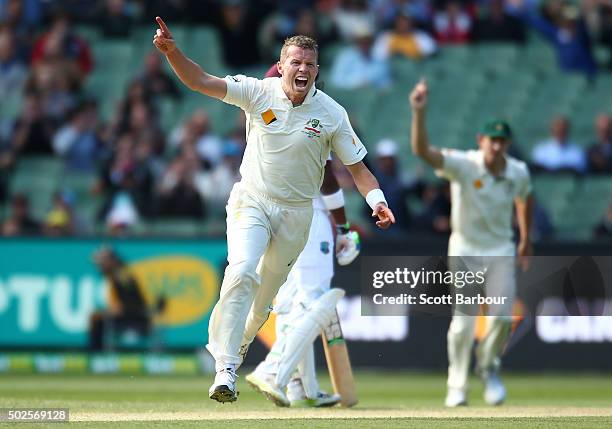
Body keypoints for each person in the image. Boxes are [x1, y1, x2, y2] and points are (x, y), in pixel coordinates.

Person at [153, 18, 395, 403]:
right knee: (242, 271)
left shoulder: (331, 113)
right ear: (281, 66)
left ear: (317, 70)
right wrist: (172, 52)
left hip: (297, 215)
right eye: (295, 62)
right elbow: (199, 81)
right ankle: (225, 368)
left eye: (309, 64)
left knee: (264, 303)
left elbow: (357, 169)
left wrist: (377, 201)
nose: (302, 69)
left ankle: (240, 349)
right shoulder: (257, 92)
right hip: (252, 201)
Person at [409, 79, 533, 407]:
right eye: (493, 140)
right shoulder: (464, 165)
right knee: (463, 324)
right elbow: (422, 151)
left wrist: (526, 238)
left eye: (502, 142)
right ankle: (457, 385)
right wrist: (419, 112)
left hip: (501, 250)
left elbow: (525, 199)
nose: (497, 147)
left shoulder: (518, 172)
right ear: (481, 141)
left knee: (502, 318)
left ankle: (489, 368)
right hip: (465, 248)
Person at [245, 66, 361, 408]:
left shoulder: (259, 111)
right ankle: (273, 370)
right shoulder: (305, 115)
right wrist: (343, 228)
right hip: (306, 217)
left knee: (293, 302)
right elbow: (326, 180)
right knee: (313, 299)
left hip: (269, 214)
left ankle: (302, 387)